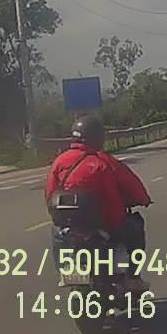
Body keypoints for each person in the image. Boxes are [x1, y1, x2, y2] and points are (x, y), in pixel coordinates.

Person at [45, 114, 152, 291]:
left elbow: (50, 195)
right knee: (135, 227)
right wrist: (142, 201)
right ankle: (132, 277)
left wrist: (60, 220)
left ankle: (66, 273)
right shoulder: (101, 162)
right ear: (97, 137)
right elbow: (117, 196)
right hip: (103, 225)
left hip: (69, 226)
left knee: (57, 233)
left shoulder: (59, 162)